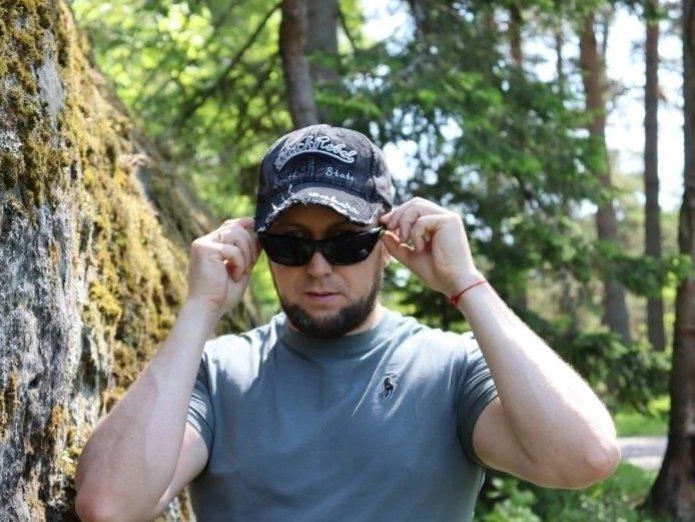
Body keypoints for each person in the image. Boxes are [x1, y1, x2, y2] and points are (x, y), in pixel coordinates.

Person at [74, 124, 621, 521]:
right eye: (291, 245)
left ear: (387, 244)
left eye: (346, 243)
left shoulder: (451, 371)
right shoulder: (219, 374)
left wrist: (467, 283)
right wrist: (200, 308)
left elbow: (585, 457)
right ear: (259, 247)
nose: (318, 268)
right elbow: (109, 505)